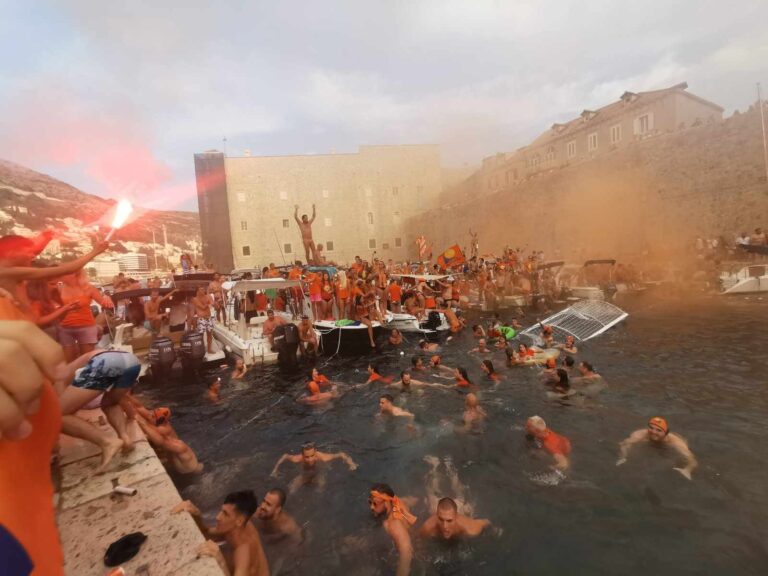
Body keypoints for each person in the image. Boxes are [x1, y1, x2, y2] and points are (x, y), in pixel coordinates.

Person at [58, 350, 141, 473]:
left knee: (56, 415)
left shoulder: (56, 378)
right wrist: (130, 415)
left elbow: (62, 410)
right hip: (131, 361)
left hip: (106, 362)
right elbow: (123, 400)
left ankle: (107, 443)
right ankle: (125, 438)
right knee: (110, 403)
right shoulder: (72, 366)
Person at [173, 491, 269, 576]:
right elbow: (206, 533)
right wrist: (197, 514)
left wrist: (221, 561)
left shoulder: (243, 554)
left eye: (225, 514)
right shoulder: (237, 525)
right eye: (222, 511)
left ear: (239, 521)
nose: (218, 517)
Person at [58, 268, 115, 361]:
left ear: (75, 275)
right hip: (65, 328)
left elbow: (104, 304)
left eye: (65, 273)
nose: (61, 275)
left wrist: (107, 298)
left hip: (86, 326)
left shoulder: (89, 288)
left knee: (88, 360)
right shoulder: (59, 288)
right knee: (69, 361)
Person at [616, 417, 698, 480]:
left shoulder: (675, 442)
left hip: (666, 445)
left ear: (666, 433)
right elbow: (625, 444)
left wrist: (687, 470)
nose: (653, 432)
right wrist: (623, 457)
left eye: (658, 430)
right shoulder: (639, 434)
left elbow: (691, 458)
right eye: (651, 428)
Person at [271, 441, 357, 494]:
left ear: (315, 452)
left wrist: (351, 463)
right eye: (306, 457)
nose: (309, 459)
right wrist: (275, 470)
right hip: (305, 475)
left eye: (312, 456)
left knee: (320, 490)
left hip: (318, 473)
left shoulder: (323, 457)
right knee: (291, 490)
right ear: (302, 455)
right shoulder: (297, 458)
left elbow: (341, 454)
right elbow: (285, 456)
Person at [368, 483, 417, 576]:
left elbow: (407, 554)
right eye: (369, 502)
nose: (371, 507)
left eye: (375, 504)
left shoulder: (393, 525)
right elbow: (414, 499)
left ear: (386, 503)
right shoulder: (398, 502)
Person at [255, 488, 303, 572]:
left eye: (268, 504)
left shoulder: (286, 526)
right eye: (264, 501)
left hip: (281, 542)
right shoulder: (258, 512)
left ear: (277, 510)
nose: (262, 506)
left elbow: (298, 540)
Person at [419, 497, 492, 541]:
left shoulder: (471, 529)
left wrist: (495, 530)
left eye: (449, 521)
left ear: (456, 517)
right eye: (441, 519)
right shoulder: (427, 528)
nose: (445, 526)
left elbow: (486, 522)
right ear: (437, 516)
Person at [191, 285, 215, 354]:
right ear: (197, 291)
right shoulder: (195, 299)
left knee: (210, 334)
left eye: (203, 289)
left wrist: (209, 303)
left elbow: (212, 303)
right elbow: (202, 307)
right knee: (201, 335)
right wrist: (208, 304)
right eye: (201, 289)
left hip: (209, 317)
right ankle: (201, 349)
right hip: (201, 319)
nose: (203, 290)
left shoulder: (208, 296)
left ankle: (209, 349)